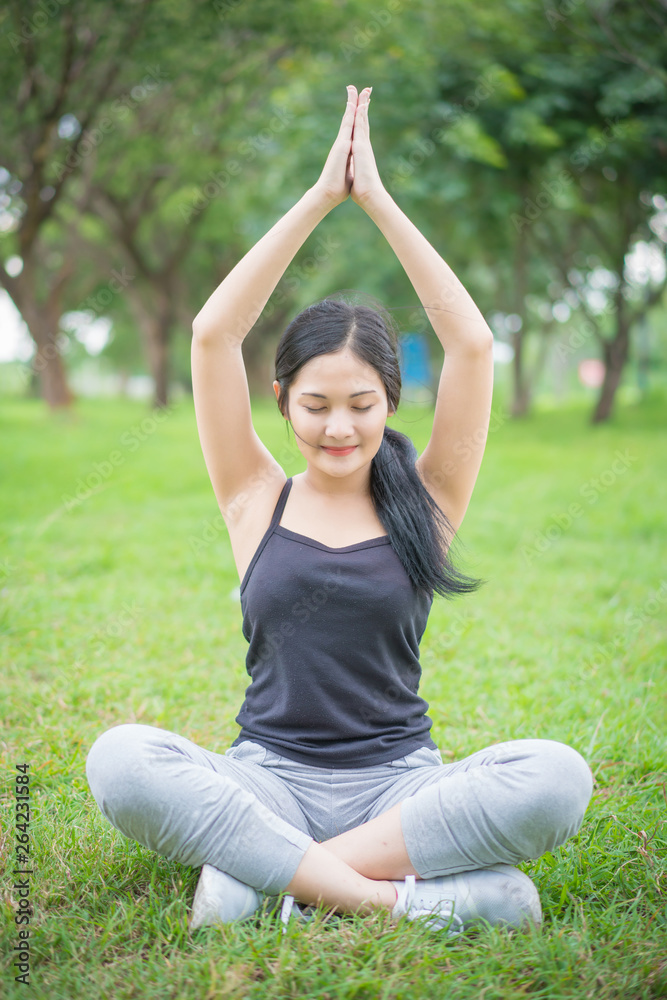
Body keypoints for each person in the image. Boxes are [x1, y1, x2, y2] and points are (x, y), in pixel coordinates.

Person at [85, 85, 593, 935]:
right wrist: (322, 197)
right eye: (315, 404)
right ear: (281, 400)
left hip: (400, 788)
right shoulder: (253, 496)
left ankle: (269, 877)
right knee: (121, 759)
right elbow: (213, 335)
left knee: (557, 777)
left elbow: (471, 344)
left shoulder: (428, 501)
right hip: (265, 780)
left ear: (390, 401)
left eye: (361, 404)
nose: (338, 427)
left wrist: (379, 202)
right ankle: (398, 901)